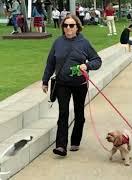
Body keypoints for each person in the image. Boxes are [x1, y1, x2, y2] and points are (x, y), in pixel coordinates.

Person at [41, 14, 102, 156]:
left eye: (71, 25)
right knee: (63, 113)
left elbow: (97, 60)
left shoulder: (84, 43)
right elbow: (50, 63)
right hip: (62, 84)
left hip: (80, 84)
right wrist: (45, 81)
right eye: (65, 25)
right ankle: (61, 146)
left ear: (77, 27)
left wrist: (86, 66)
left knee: (79, 114)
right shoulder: (57, 42)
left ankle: (75, 141)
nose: (68, 28)